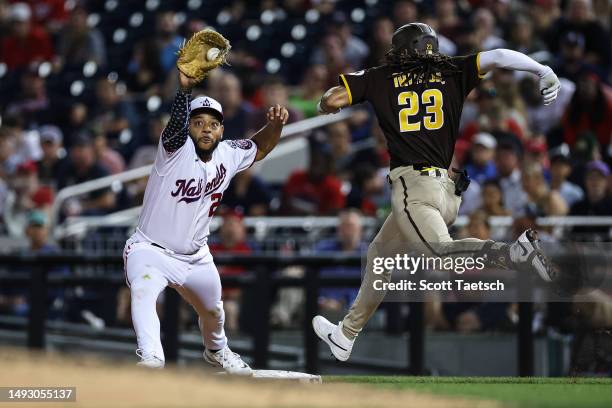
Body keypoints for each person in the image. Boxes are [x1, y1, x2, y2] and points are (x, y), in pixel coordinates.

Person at [311, 22, 561, 361]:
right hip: (446, 189)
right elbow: (501, 55)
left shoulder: (380, 76)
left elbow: (330, 100)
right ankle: (346, 334)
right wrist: (541, 68)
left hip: (414, 190)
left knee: (440, 255)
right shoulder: (453, 70)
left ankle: (515, 255)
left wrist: (336, 97)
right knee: (380, 256)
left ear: (401, 50)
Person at [123, 64, 288, 374]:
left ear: (222, 130)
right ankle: (151, 358)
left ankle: (217, 350)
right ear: (189, 127)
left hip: (197, 257)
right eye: (198, 123)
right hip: (149, 250)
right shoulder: (175, 148)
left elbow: (260, 146)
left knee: (214, 311)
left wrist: (276, 125)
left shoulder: (228, 153)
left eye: (213, 124)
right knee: (143, 291)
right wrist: (185, 91)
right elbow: (174, 127)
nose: (206, 129)